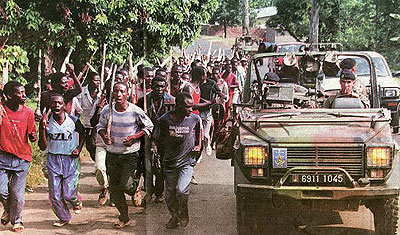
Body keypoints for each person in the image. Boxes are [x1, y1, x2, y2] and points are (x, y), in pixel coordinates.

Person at [97, 82, 153, 229]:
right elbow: (100, 127)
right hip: (112, 155)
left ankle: (135, 189)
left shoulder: (135, 111)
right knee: (115, 190)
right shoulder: (106, 111)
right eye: (116, 91)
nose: (119, 94)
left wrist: (135, 137)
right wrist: (104, 136)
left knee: (125, 185)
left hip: (129, 155)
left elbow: (149, 126)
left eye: (122, 91)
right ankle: (124, 217)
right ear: (113, 94)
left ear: (127, 93)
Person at [154, 92, 202, 229]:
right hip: (169, 163)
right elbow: (156, 139)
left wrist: (198, 145)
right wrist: (155, 151)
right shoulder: (164, 120)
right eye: (187, 107)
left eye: (192, 107)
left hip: (187, 161)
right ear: (178, 106)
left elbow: (199, 132)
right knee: (169, 196)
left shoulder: (194, 119)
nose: (191, 110)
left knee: (181, 190)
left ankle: (184, 211)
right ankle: (175, 217)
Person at [38, 94, 85, 227]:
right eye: (53, 103)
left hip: (70, 159)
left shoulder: (73, 120)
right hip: (53, 159)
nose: (57, 106)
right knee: (55, 194)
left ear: (64, 106)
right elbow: (42, 146)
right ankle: (64, 217)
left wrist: (79, 149)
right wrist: (42, 128)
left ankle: (76, 201)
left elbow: (83, 133)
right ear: (50, 105)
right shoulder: (46, 122)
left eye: (59, 103)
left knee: (69, 193)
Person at [0, 81, 36, 233]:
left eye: (23, 92)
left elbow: (32, 136)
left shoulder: (28, 112)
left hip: (22, 159)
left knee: (17, 193)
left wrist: (34, 135)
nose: (24, 95)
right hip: (2, 158)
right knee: (2, 191)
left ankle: (18, 219)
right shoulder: (2, 111)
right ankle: (8, 210)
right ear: (9, 96)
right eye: (19, 93)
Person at [137, 76, 175, 203]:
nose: (159, 89)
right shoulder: (143, 101)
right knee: (147, 167)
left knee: (161, 167)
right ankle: (149, 192)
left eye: (162, 86)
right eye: (156, 86)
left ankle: (159, 192)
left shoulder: (170, 101)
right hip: (146, 137)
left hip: (164, 139)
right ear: (151, 87)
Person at [198, 66, 222, 156]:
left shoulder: (212, 83)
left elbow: (219, 93)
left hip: (208, 111)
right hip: (197, 111)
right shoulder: (196, 84)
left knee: (205, 134)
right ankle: (199, 154)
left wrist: (216, 101)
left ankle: (207, 144)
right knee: (198, 134)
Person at [77, 71, 100, 161]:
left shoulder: (101, 94)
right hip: (86, 124)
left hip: (98, 125)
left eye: (99, 80)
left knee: (95, 145)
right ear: (90, 81)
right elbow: (78, 108)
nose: (98, 82)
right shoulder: (82, 92)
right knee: (89, 147)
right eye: (96, 80)